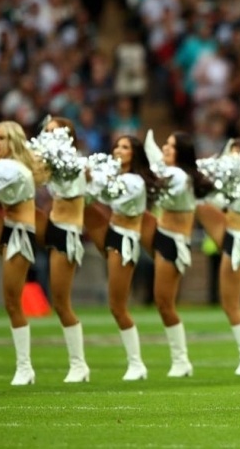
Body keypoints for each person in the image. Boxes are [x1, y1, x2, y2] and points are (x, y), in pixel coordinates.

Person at [85, 135, 164, 381]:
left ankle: (137, 363)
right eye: (117, 145)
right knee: (116, 306)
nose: (119, 149)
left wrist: (90, 178)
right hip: (112, 233)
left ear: (135, 154)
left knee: (118, 306)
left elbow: (110, 195)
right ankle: (133, 363)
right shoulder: (115, 175)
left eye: (126, 147)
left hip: (125, 239)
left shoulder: (135, 181)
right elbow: (89, 197)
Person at [145, 130, 214, 378]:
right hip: (164, 236)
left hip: (173, 242)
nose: (165, 148)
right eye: (166, 144)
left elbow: (156, 183)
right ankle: (180, 360)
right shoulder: (175, 174)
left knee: (165, 303)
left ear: (181, 152)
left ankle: (181, 360)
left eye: (171, 146)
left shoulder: (177, 175)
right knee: (163, 303)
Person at [196, 139, 240, 375]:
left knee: (231, 305)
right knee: (229, 304)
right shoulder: (239, 180)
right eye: (232, 151)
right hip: (232, 235)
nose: (234, 156)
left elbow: (222, 199)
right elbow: (217, 201)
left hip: (239, 241)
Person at [0, 121, 48, 385]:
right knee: (12, 302)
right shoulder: (8, 166)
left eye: (1, 138)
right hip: (13, 229)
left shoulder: (8, 167)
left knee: (13, 302)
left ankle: (25, 367)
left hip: (18, 234)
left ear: (13, 141)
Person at [41, 117, 90, 383]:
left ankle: (79, 364)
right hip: (52, 225)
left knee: (61, 303)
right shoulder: (51, 161)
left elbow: (72, 189)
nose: (49, 135)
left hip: (67, 233)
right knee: (56, 301)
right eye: (46, 131)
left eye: (54, 131)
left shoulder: (76, 165)